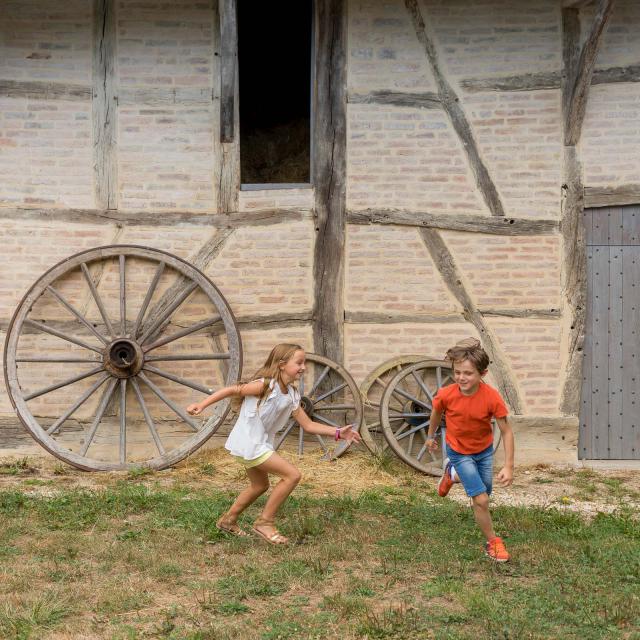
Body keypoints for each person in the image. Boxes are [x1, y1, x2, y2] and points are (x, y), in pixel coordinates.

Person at [187, 343, 361, 544]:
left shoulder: (293, 395)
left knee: (260, 485)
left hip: (259, 444)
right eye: (299, 363)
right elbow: (231, 390)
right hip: (249, 443)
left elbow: (308, 425)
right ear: (281, 364)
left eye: (303, 363)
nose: (303, 367)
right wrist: (201, 405)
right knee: (292, 475)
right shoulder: (265, 385)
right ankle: (265, 522)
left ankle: (228, 521)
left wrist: (338, 432)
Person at [425, 338, 515, 562]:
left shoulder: (492, 397)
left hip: (483, 452)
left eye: (468, 373)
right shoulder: (446, 394)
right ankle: (493, 543)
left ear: (482, 374)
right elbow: (436, 413)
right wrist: (430, 436)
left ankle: (452, 474)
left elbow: (506, 431)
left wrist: (508, 466)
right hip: (458, 452)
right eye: (457, 372)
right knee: (482, 500)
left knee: (485, 494)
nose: (461, 378)